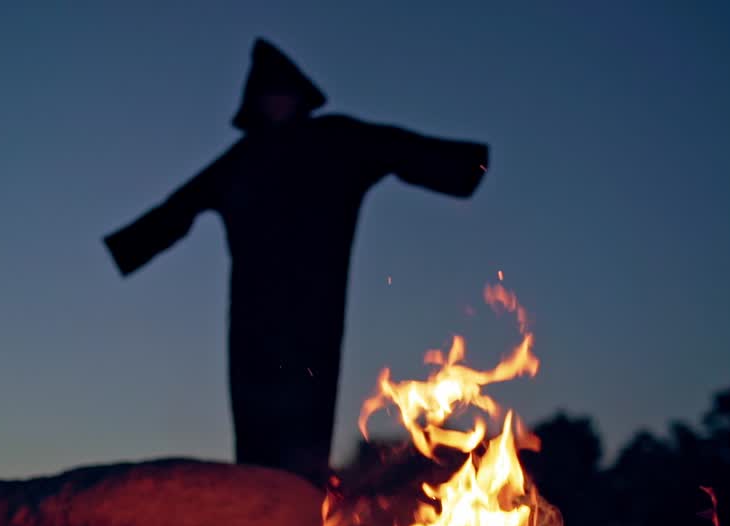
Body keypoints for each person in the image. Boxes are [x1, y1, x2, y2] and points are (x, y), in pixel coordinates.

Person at [104, 38, 489, 487]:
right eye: (268, 94)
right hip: (252, 317)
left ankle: (299, 514)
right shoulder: (241, 162)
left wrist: (470, 166)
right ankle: (261, 518)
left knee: (305, 418)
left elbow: (400, 149)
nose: (276, 102)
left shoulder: (337, 141)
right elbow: (179, 208)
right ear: (255, 102)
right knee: (255, 426)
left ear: (300, 96)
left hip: (314, 312)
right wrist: (125, 249)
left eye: (282, 92)